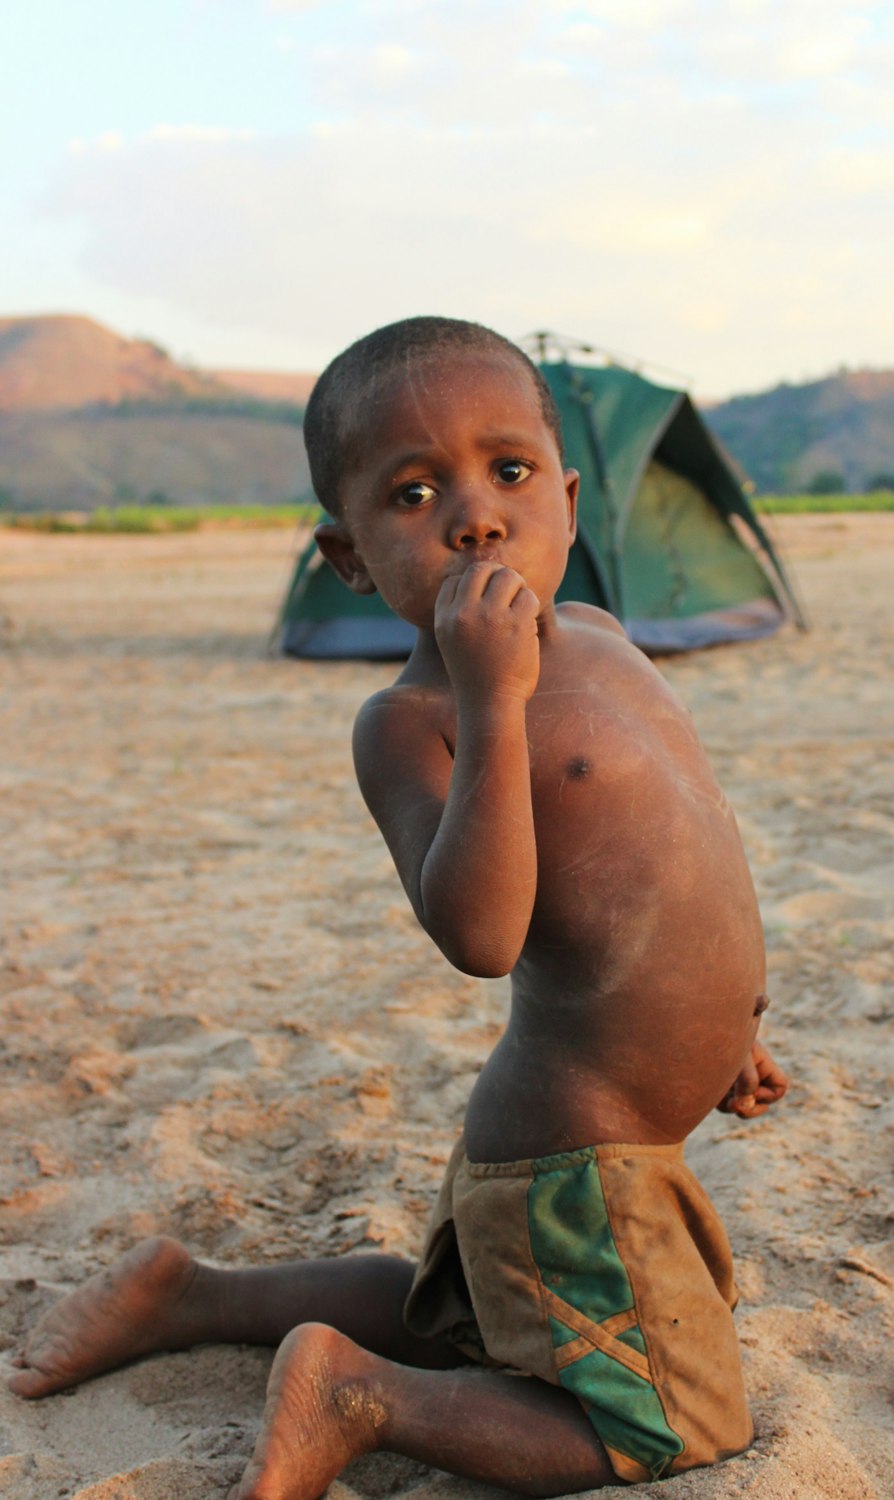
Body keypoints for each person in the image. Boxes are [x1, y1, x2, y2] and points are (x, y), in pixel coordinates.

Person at [8, 317, 788, 1500]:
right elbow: (480, 937)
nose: (475, 516)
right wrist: (492, 703)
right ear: (350, 559)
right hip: (575, 1155)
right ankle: (360, 1396)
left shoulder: (608, 639)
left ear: (569, 503)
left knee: (462, 1314)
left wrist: (736, 1017)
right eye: (416, 494)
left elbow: (683, 849)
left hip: (606, 1140)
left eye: (510, 473)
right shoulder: (412, 722)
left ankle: (193, 1293)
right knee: (675, 1427)